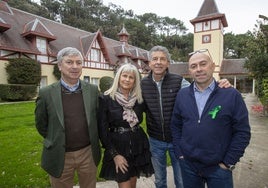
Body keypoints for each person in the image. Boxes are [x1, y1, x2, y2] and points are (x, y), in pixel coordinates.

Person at [141, 45, 232, 188]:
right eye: (155, 59)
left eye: (162, 59)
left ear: (168, 63)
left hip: (177, 140)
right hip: (155, 140)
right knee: (159, 180)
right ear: (149, 63)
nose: (158, 62)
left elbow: (199, 87)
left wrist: (220, 83)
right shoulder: (143, 84)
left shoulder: (178, 81)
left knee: (182, 180)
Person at [170, 49, 251, 188]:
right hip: (188, 166)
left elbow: (242, 132)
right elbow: (176, 125)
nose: (199, 69)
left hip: (219, 169)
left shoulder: (231, 95)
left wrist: (228, 162)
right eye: (194, 66)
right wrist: (180, 154)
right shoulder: (182, 95)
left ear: (213, 66)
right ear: (189, 71)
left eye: (203, 64)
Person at [35, 47, 101, 188]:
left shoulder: (93, 90)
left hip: (88, 153)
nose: (75, 67)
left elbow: (99, 118)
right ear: (59, 65)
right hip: (59, 154)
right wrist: (56, 138)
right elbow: (41, 124)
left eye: (78, 62)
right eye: (69, 62)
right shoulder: (46, 93)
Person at [98, 63, 154, 188]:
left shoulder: (139, 99)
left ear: (135, 81)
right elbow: (102, 130)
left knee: (133, 184)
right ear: (118, 77)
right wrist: (114, 154)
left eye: (131, 77)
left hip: (138, 147)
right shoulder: (106, 98)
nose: (127, 80)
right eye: (124, 76)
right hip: (118, 148)